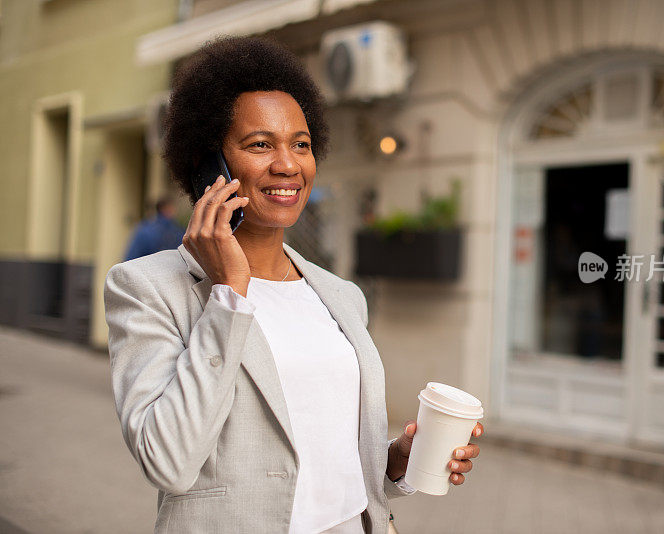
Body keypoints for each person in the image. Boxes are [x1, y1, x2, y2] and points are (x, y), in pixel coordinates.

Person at [103, 35, 483, 534]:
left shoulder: (340, 295)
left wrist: (396, 461)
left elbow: (324, 450)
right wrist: (229, 294)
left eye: (300, 144)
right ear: (208, 165)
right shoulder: (147, 288)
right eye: (260, 144)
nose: (288, 165)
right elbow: (167, 462)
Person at [123, 196, 185, 261]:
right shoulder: (179, 232)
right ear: (166, 209)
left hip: (146, 269)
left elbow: (131, 258)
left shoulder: (144, 230)